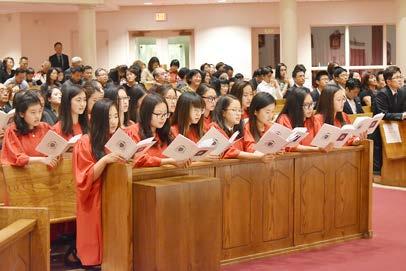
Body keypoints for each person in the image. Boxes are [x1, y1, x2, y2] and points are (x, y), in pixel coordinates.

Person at [73, 98, 124, 268]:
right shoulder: (84, 142)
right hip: (94, 199)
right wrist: (105, 160)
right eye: (109, 117)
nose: (113, 121)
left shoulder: (117, 140)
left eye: (116, 116)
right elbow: (84, 178)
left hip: (115, 197)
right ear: (97, 118)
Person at [125, 93, 191, 168]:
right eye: (158, 114)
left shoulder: (166, 132)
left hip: (167, 175)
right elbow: (138, 159)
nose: (163, 118)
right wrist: (169, 161)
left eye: (165, 114)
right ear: (147, 113)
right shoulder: (132, 131)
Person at [1, 90, 59, 167]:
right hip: (22, 176)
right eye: (33, 112)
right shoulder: (13, 131)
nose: (37, 116)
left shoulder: (45, 127)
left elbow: (56, 147)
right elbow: (16, 157)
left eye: (40, 111)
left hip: (45, 173)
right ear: (22, 113)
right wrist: (41, 160)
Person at [211, 94, 274, 161]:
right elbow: (228, 151)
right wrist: (256, 156)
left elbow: (249, 145)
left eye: (239, 110)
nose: (238, 114)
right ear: (223, 112)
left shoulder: (241, 128)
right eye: (234, 110)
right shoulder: (214, 127)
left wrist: (265, 152)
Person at [373, 66, 406, 174]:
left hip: (396, 127)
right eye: (397, 77)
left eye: (400, 76)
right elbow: (383, 114)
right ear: (388, 81)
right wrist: (401, 116)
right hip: (380, 130)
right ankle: (379, 171)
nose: (400, 79)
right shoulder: (382, 93)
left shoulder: (401, 92)